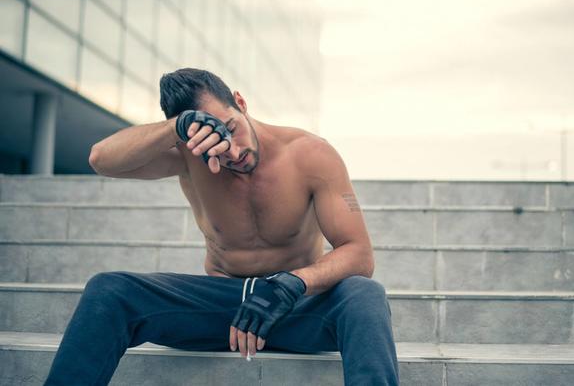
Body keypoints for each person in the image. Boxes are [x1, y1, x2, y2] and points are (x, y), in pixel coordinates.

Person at [44, 68, 399, 385]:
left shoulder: (309, 154)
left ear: (241, 103)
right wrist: (176, 128)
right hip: (223, 307)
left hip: (295, 304)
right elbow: (101, 160)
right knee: (109, 290)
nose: (231, 152)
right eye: (215, 145)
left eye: (230, 128)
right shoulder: (186, 155)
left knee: (364, 295)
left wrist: (292, 283)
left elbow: (359, 254)